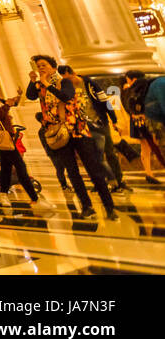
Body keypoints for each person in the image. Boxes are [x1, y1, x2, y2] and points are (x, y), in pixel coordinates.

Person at [26, 54, 117, 221]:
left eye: (44, 65)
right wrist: (33, 81)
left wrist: (47, 84)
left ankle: (109, 207)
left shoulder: (65, 82)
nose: (41, 68)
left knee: (94, 169)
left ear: (53, 67)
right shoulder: (40, 86)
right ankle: (87, 207)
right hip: (59, 134)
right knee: (72, 172)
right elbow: (30, 96)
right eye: (38, 66)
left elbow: (66, 97)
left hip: (78, 130)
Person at [0, 71, 52, 212]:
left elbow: (7, 103)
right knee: (20, 168)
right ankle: (34, 198)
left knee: (6, 168)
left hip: (6, 137)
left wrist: (17, 97)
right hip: (3, 136)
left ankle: (3, 195)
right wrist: (8, 105)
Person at [61, 65, 125, 192]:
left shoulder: (89, 84)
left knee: (110, 152)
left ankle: (119, 181)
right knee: (93, 157)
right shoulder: (66, 88)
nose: (65, 81)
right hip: (83, 127)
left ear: (70, 73)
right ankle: (100, 183)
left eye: (65, 77)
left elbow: (104, 101)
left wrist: (114, 120)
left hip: (100, 122)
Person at [122, 70, 164, 183]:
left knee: (146, 147)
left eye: (127, 79)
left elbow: (128, 107)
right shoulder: (148, 85)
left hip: (140, 122)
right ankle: (149, 173)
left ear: (133, 79)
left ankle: (148, 173)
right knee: (151, 146)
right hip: (149, 120)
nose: (127, 82)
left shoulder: (132, 90)